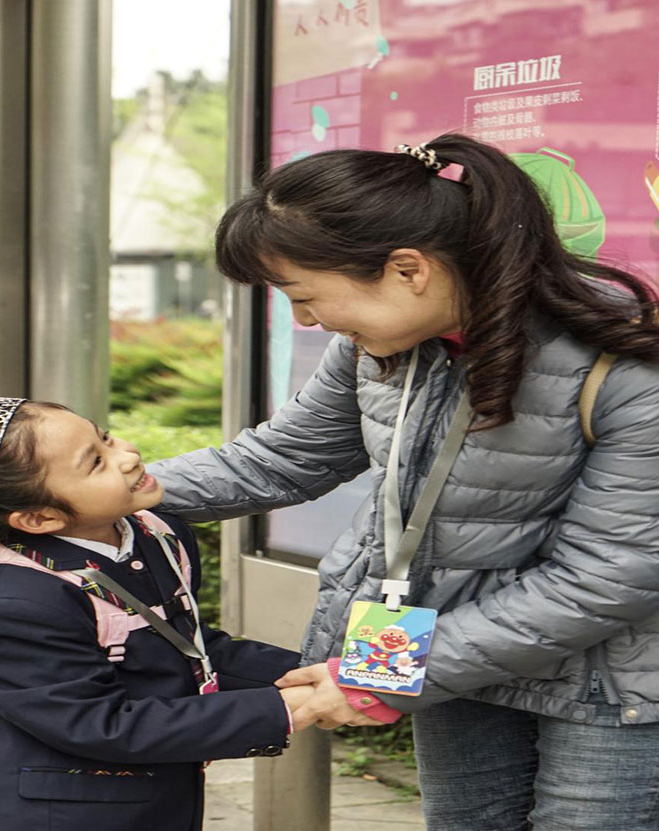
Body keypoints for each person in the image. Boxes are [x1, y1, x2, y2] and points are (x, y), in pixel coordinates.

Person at [148, 133, 659, 830]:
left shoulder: (624, 362)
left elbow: (605, 578)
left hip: (612, 683)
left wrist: (370, 674)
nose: (306, 319)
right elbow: (280, 458)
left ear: (407, 269)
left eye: (305, 295)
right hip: (452, 657)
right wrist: (100, 489)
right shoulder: (382, 350)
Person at [0, 396, 318, 831]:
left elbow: (190, 648)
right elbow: (101, 724)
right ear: (38, 518)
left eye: (106, 437)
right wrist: (290, 709)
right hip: (44, 813)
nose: (127, 455)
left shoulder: (157, 534)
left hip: (147, 797)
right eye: (95, 462)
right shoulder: (12, 603)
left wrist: (317, 673)